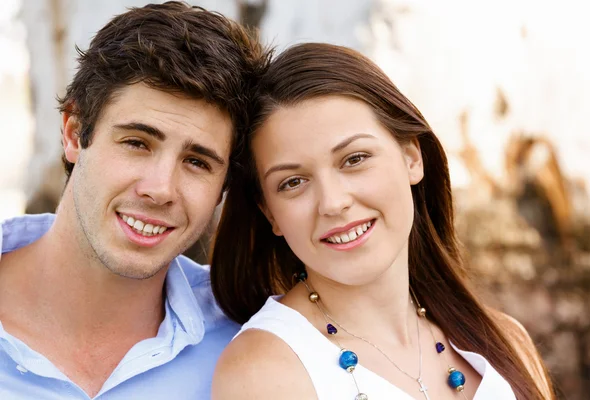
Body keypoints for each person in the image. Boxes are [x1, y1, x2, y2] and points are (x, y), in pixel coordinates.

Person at [210, 43, 555, 399]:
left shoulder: (505, 341)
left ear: (411, 157)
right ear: (270, 212)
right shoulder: (264, 372)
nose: (333, 203)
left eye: (354, 159)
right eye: (293, 182)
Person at [0, 2, 268, 399]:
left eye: (197, 162)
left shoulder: (254, 342)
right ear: (74, 133)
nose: (160, 189)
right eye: (137, 143)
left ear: (224, 185)